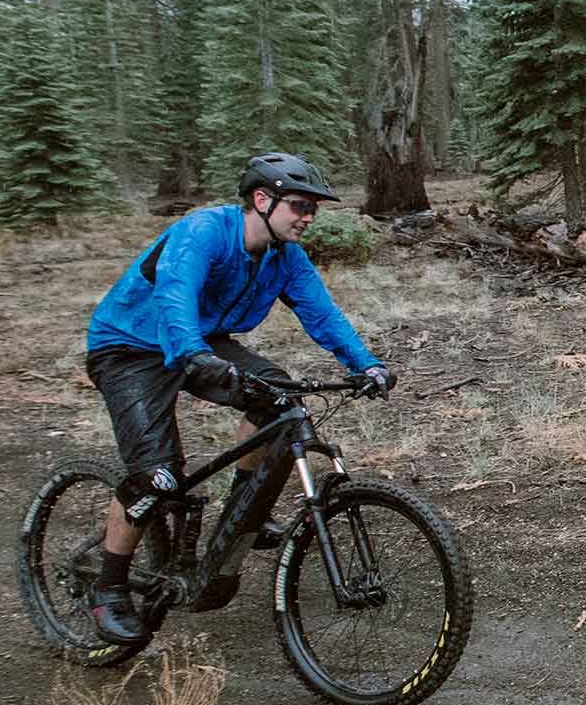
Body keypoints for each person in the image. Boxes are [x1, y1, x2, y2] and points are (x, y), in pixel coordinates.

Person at [82, 152, 394, 643]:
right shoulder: (203, 232)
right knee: (157, 477)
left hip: (202, 342)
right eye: (298, 205)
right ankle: (110, 588)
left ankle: (244, 507)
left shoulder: (285, 255)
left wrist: (366, 364)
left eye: (313, 207)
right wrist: (191, 353)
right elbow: (174, 294)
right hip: (130, 346)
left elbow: (322, 314)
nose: (308, 217)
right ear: (261, 199)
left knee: (279, 399)